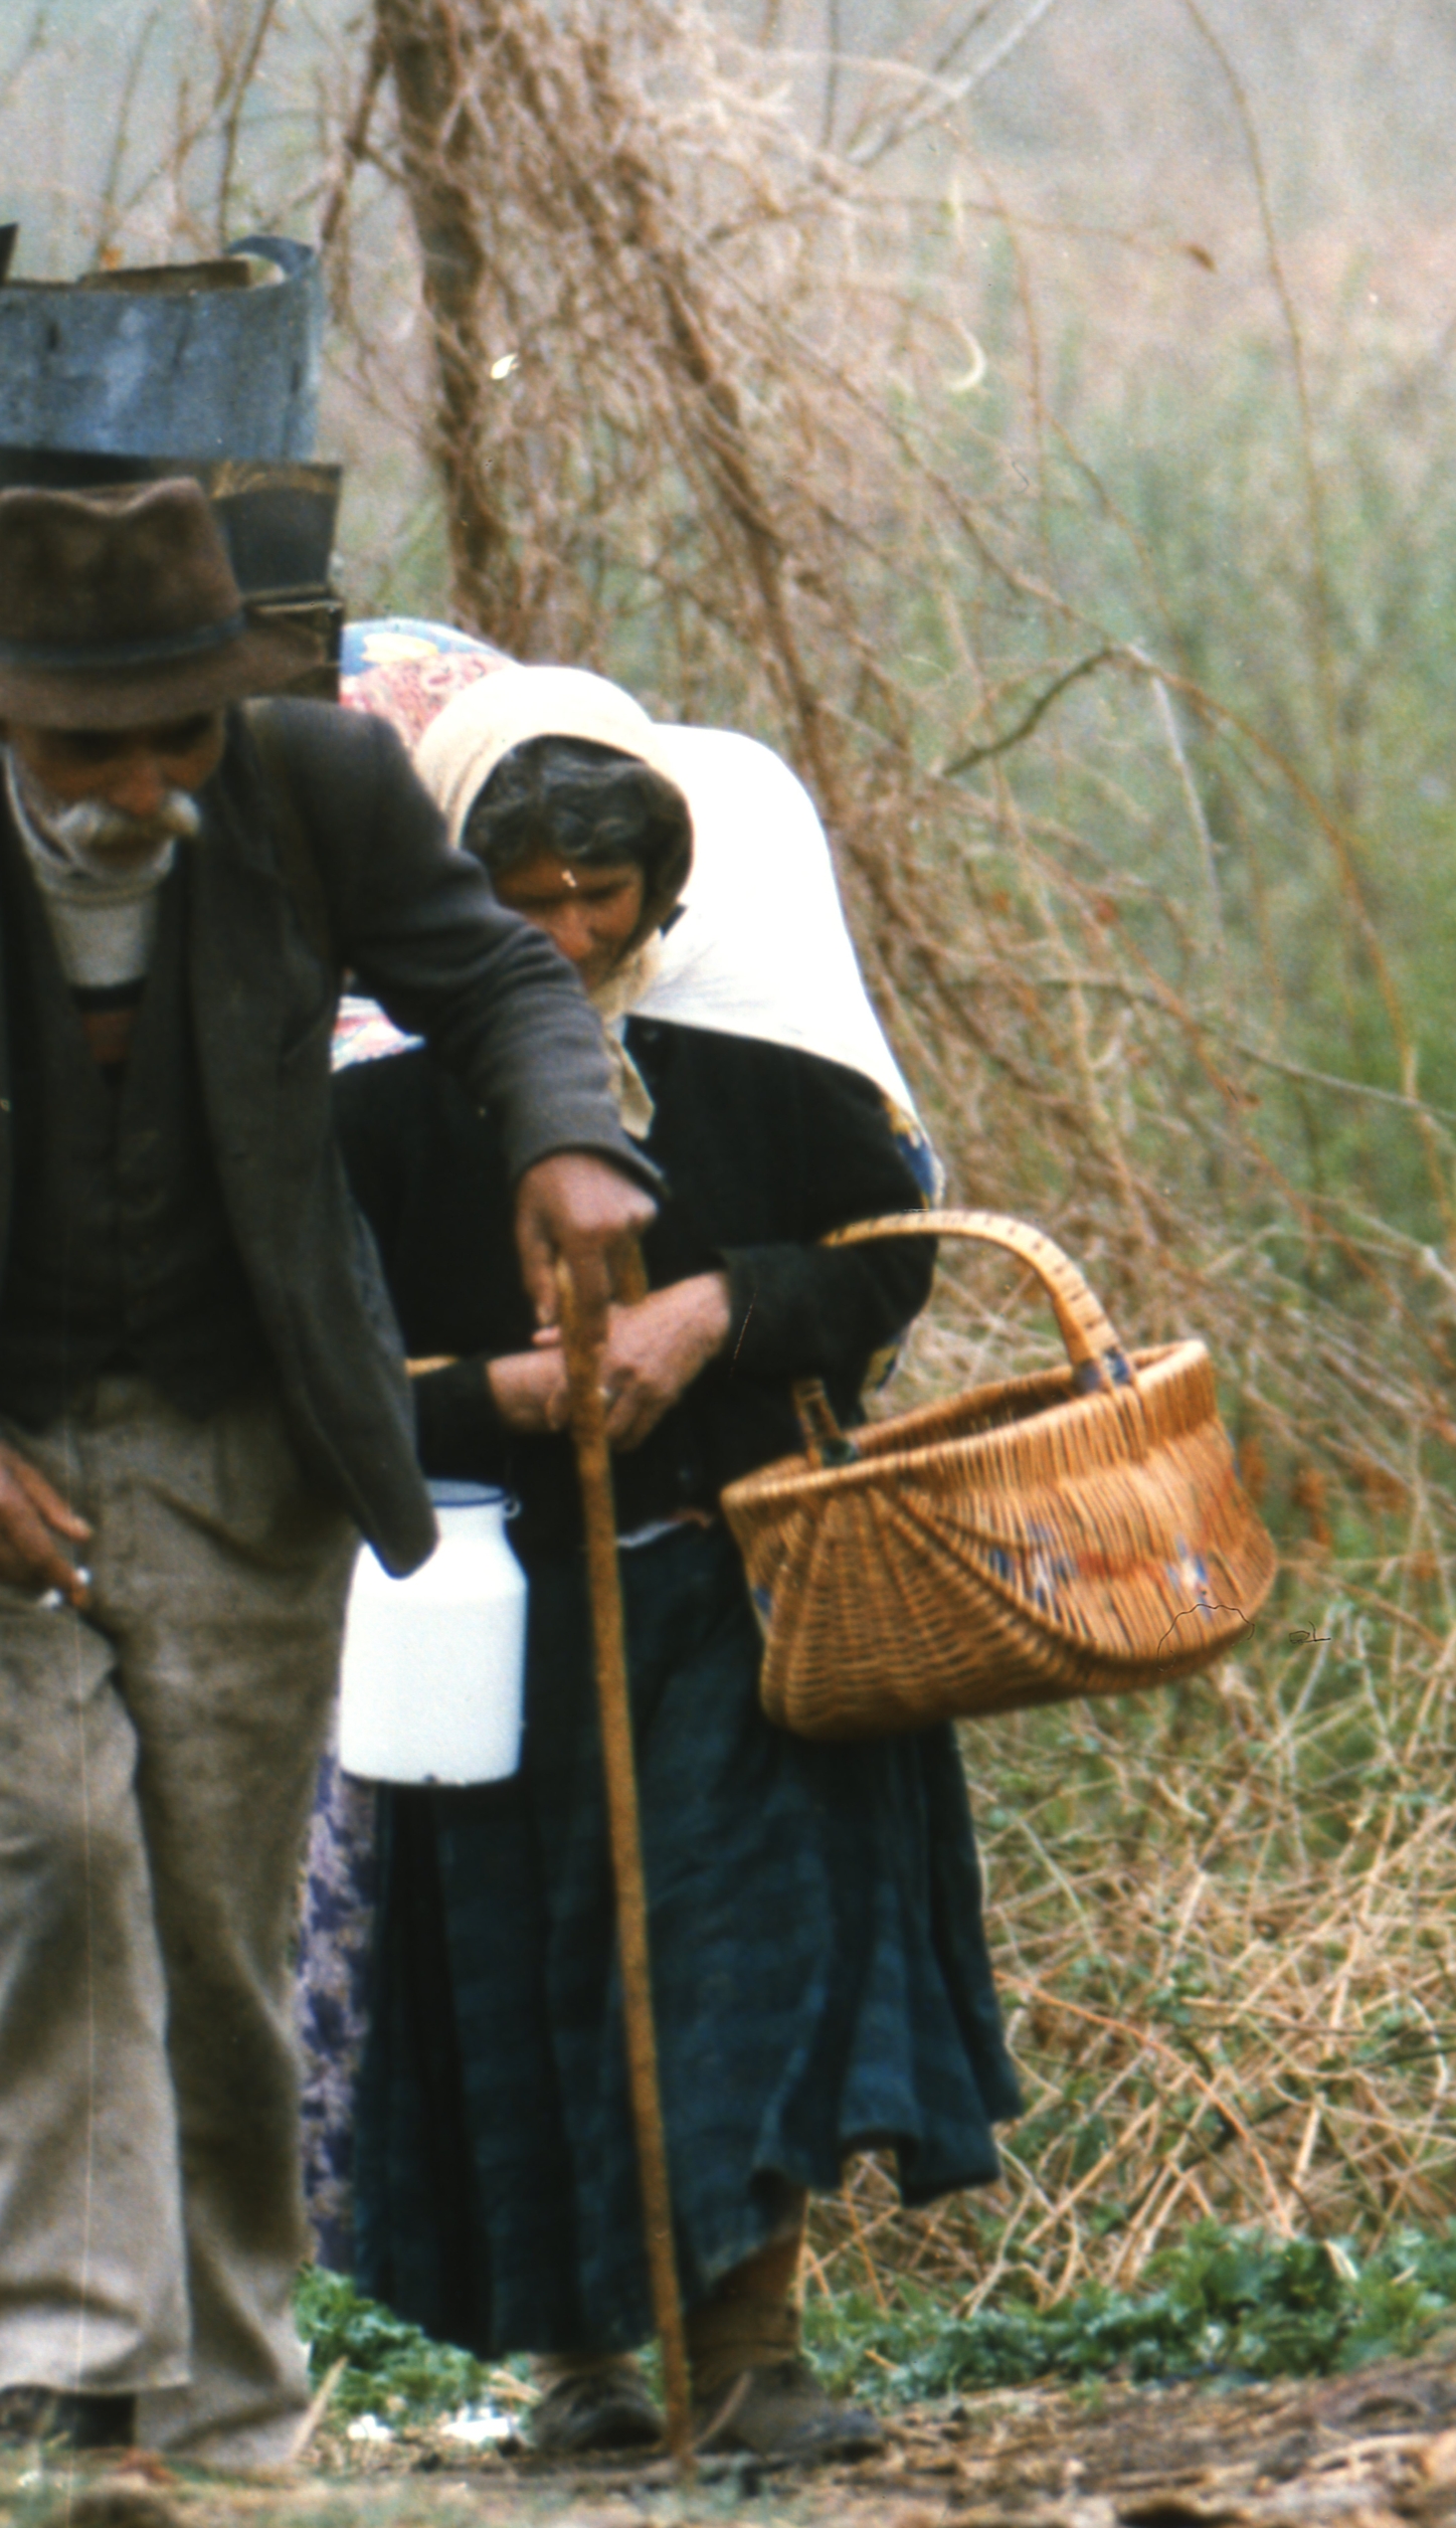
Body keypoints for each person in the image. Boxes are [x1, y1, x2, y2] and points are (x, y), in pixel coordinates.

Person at [0, 481, 656, 2467]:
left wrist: (571, 1143)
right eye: (88, 741)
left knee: (212, 1904)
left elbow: (494, 981)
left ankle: (224, 2394)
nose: (139, 778)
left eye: (176, 731)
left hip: (236, 1424)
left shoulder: (310, 793)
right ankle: (65, 2368)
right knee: (52, 1844)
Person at [305, 663, 1020, 2461]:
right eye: (519, 896)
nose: (563, 930)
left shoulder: (761, 1045)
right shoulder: (376, 1100)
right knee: (531, 1982)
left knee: (737, 1963)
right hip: (494, 1612)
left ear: (667, 880)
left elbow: (883, 1256)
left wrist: (722, 1306)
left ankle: (747, 2359)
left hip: (745, 1583)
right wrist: (511, 1390)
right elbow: (315, 1369)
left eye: (598, 893)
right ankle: (583, 2375)